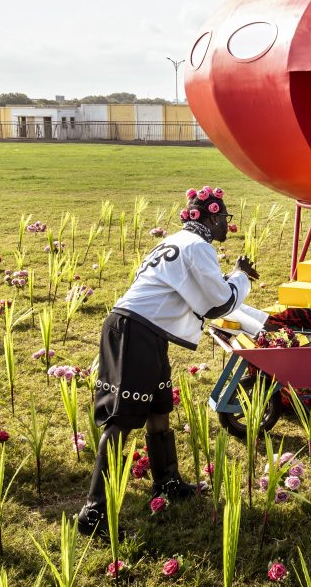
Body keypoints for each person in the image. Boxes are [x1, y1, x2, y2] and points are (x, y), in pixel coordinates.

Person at [76, 185, 257, 535]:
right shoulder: (198, 247)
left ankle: (167, 481)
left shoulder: (176, 241)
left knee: (159, 409)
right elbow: (218, 304)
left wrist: (231, 278)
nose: (227, 226)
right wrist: (241, 277)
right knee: (122, 419)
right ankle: (93, 511)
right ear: (212, 216)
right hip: (136, 332)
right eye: (225, 219)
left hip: (144, 330)